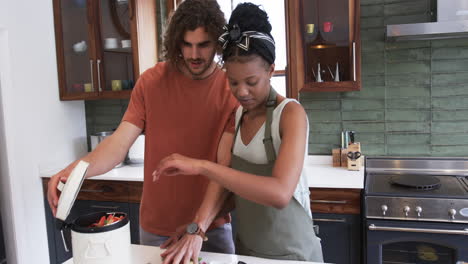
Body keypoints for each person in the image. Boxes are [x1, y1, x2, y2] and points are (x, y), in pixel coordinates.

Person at [46, 0, 238, 255]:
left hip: (208, 229)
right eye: (186, 44)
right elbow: (117, 146)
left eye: (203, 45)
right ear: (175, 41)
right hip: (156, 229)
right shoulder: (152, 82)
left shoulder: (231, 90)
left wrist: (197, 228)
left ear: (218, 42)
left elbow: (224, 169)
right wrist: (74, 171)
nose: (194, 55)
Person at [154, 3, 324, 263]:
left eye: (251, 82)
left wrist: (201, 166)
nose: (241, 92)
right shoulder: (239, 115)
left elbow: (279, 194)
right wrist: (195, 229)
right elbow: (235, 192)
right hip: (248, 252)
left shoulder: (290, 115)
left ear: (270, 70)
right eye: (233, 82)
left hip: (292, 255)